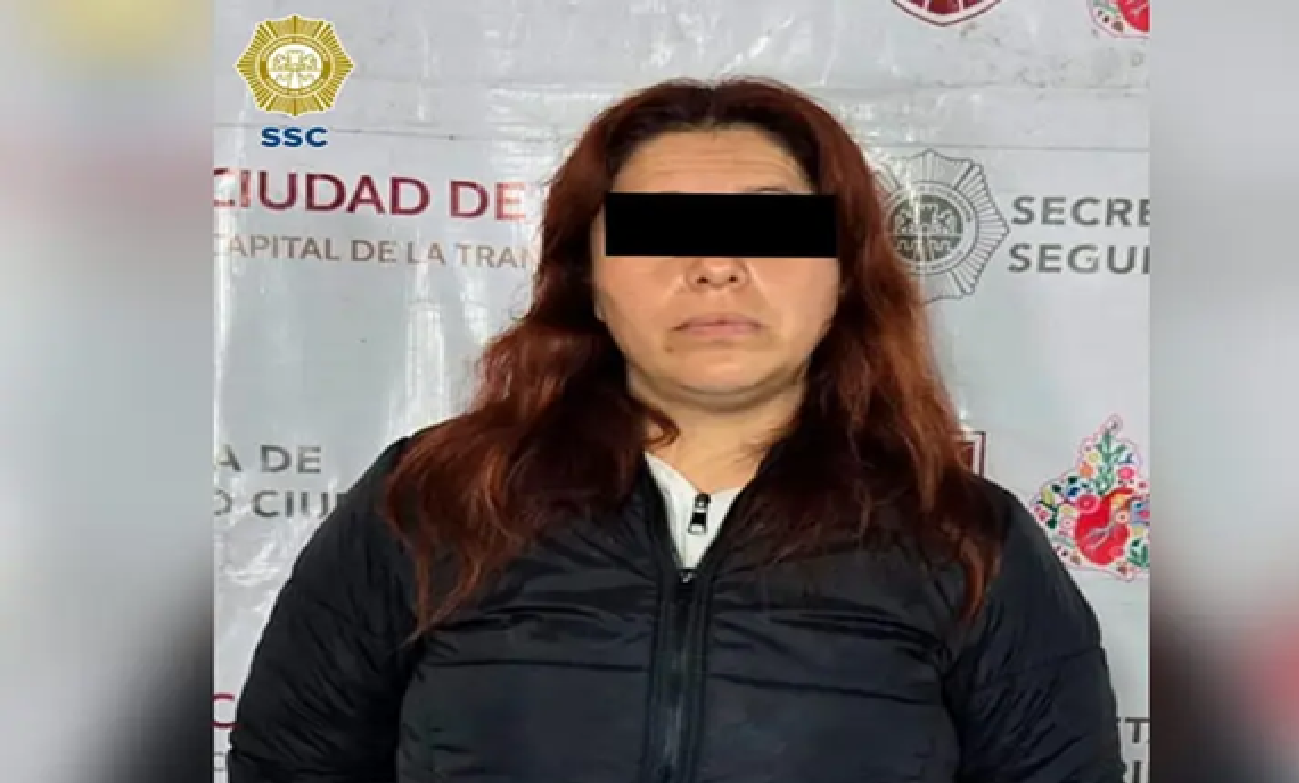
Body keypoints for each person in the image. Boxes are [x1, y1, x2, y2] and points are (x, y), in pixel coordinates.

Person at [227, 76, 1125, 783]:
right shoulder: (436, 500)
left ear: (842, 274)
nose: (715, 265)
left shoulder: (962, 537)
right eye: (660, 231)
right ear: (587, 278)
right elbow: (290, 764)